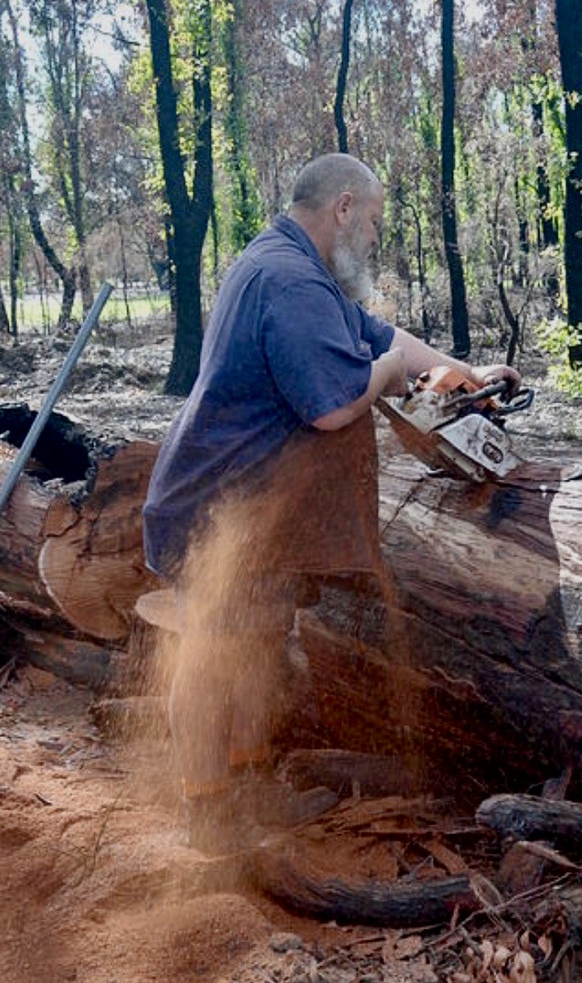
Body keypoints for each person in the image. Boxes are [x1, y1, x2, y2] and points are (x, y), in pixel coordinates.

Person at [139, 152, 519, 837]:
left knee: (257, 644)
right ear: (342, 208)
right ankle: (207, 814)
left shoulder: (292, 267)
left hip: (254, 508)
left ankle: (250, 790)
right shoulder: (287, 281)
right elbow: (335, 406)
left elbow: (380, 338)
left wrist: (462, 375)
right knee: (213, 652)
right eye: (372, 222)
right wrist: (394, 372)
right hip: (214, 512)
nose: (374, 238)